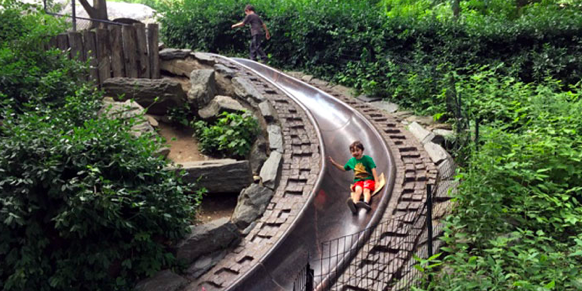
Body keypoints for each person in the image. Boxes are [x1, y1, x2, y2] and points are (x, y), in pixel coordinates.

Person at [329, 141, 378, 214]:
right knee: (358, 190)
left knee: (366, 190)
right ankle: (354, 205)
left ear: (362, 150)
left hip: (368, 179)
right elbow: (344, 169)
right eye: (353, 151)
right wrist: (334, 164)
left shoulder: (367, 159)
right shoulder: (351, 161)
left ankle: (366, 203)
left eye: (357, 150)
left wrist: (377, 181)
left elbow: (373, 169)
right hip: (358, 181)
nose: (355, 152)